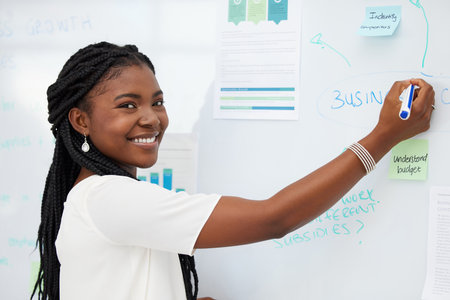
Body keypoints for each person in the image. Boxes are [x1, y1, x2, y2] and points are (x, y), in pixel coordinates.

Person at [32, 41, 435, 300]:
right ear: (81, 122)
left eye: (157, 102)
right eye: (128, 105)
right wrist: (384, 136)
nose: (152, 118)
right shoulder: (109, 197)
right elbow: (274, 218)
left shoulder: (96, 197)